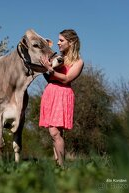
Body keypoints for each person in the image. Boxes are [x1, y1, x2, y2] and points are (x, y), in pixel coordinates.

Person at [39, 29, 84, 167]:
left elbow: (66, 79)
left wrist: (51, 70)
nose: (58, 43)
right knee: (56, 133)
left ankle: (62, 166)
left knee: (54, 132)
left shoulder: (78, 61)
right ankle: (58, 164)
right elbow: (50, 78)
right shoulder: (57, 58)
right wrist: (44, 69)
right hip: (51, 91)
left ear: (71, 42)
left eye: (61, 40)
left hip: (62, 93)